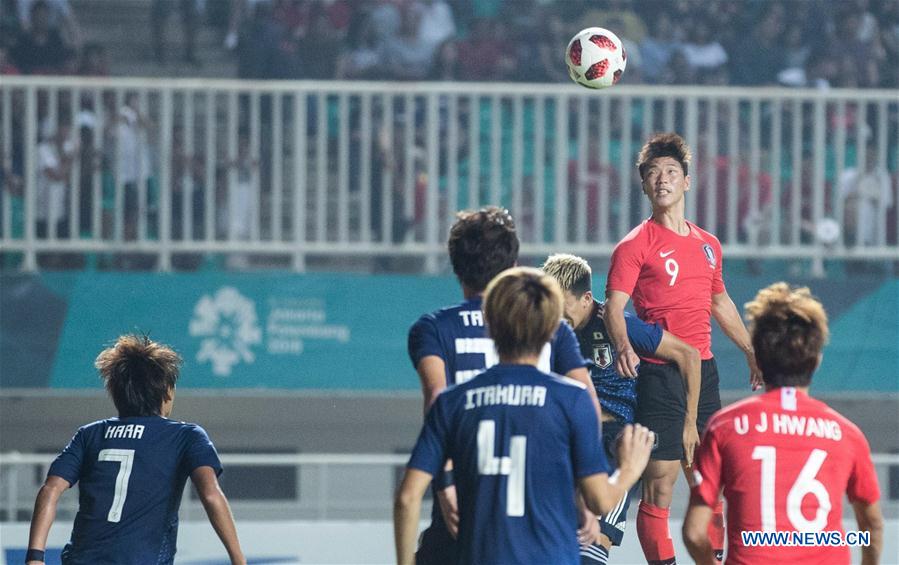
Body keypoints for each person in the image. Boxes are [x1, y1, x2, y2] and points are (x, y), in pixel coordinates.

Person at [395, 267, 655, 565]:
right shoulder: (572, 401)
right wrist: (629, 470)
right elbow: (599, 499)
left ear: (490, 325)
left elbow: (406, 498)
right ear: (551, 330)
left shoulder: (454, 402)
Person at [604, 132, 763, 565]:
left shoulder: (708, 245)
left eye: (671, 172)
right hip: (659, 374)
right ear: (643, 184)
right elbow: (613, 308)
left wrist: (750, 350)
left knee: (709, 483)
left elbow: (719, 301)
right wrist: (623, 345)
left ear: (687, 182)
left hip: (703, 373)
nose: (662, 179)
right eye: (653, 173)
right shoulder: (634, 245)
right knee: (660, 487)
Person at [407, 207, 599, 564]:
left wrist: (445, 482)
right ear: (512, 265)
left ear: (456, 264)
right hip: (542, 505)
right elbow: (587, 399)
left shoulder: (433, 328)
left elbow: (436, 396)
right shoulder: (552, 327)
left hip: (471, 491)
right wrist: (584, 491)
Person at [683, 283, 884, 564]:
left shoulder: (725, 427)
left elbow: (694, 532)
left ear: (760, 362)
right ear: (816, 361)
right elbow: (872, 526)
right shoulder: (847, 434)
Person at [25, 334, 245, 565]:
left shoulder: (90, 434)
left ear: (114, 391)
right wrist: (238, 559)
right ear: (167, 392)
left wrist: (35, 557)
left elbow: (50, 489)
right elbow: (210, 494)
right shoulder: (185, 436)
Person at [542, 253, 701, 565]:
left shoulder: (617, 326)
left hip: (612, 444)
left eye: (563, 306)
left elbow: (689, 355)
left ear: (587, 298)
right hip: (563, 441)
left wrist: (689, 421)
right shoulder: (546, 331)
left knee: (594, 542)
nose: (556, 316)